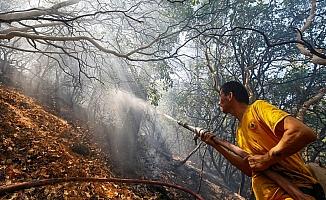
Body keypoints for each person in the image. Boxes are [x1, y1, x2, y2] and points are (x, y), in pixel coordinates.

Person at [200, 81, 325, 200]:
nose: (218, 102)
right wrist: (215, 145)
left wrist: (267, 159)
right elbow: (251, 168)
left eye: (220, 96)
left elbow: (302, 132)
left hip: (297, 191)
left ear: (230, 96)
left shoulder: (257, 108)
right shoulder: (240, 132)